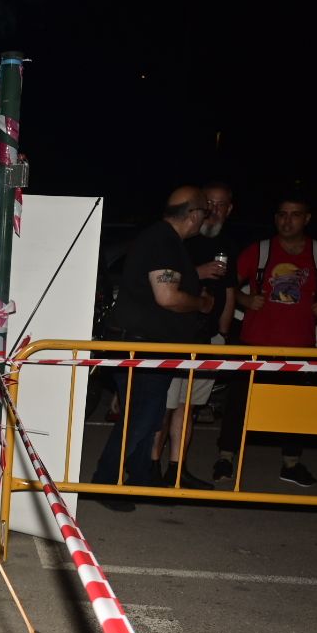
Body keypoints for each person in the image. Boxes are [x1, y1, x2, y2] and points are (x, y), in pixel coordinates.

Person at [89, 186, 215, 510]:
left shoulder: (164, 240)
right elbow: (167, 297)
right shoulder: (163, 241)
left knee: (150, 414)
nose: (206, 218)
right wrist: (200, 303)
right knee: (141, 417)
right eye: (205, 212)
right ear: (193, 214)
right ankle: (106, 480)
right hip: (141, 346)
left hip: (147, 345)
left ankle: (142, 476)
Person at [212, 196, 317, 487]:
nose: (288, 221)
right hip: (254, 344)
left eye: (295, 214)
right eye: (282, 214)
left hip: (300, 346)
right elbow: (227, 283)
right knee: (239, 403)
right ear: (275, 218)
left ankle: (291, 464)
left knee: (295, 408)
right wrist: (246, 299)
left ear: (307, 218)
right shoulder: (259, 250)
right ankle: (225, 458)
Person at [153, 181, 238, 490]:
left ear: (229, 209)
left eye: (220, 204)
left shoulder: (228, 243)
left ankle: (177, 471)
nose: (213, 210)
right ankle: (150, 468)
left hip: (207, 339)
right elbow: (165, 285)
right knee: (165, 406)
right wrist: (197, 272)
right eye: (208, 203)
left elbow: (229, 291)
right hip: (176, 337)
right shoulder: (180, 239)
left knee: (189, 406)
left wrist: (224, 334)